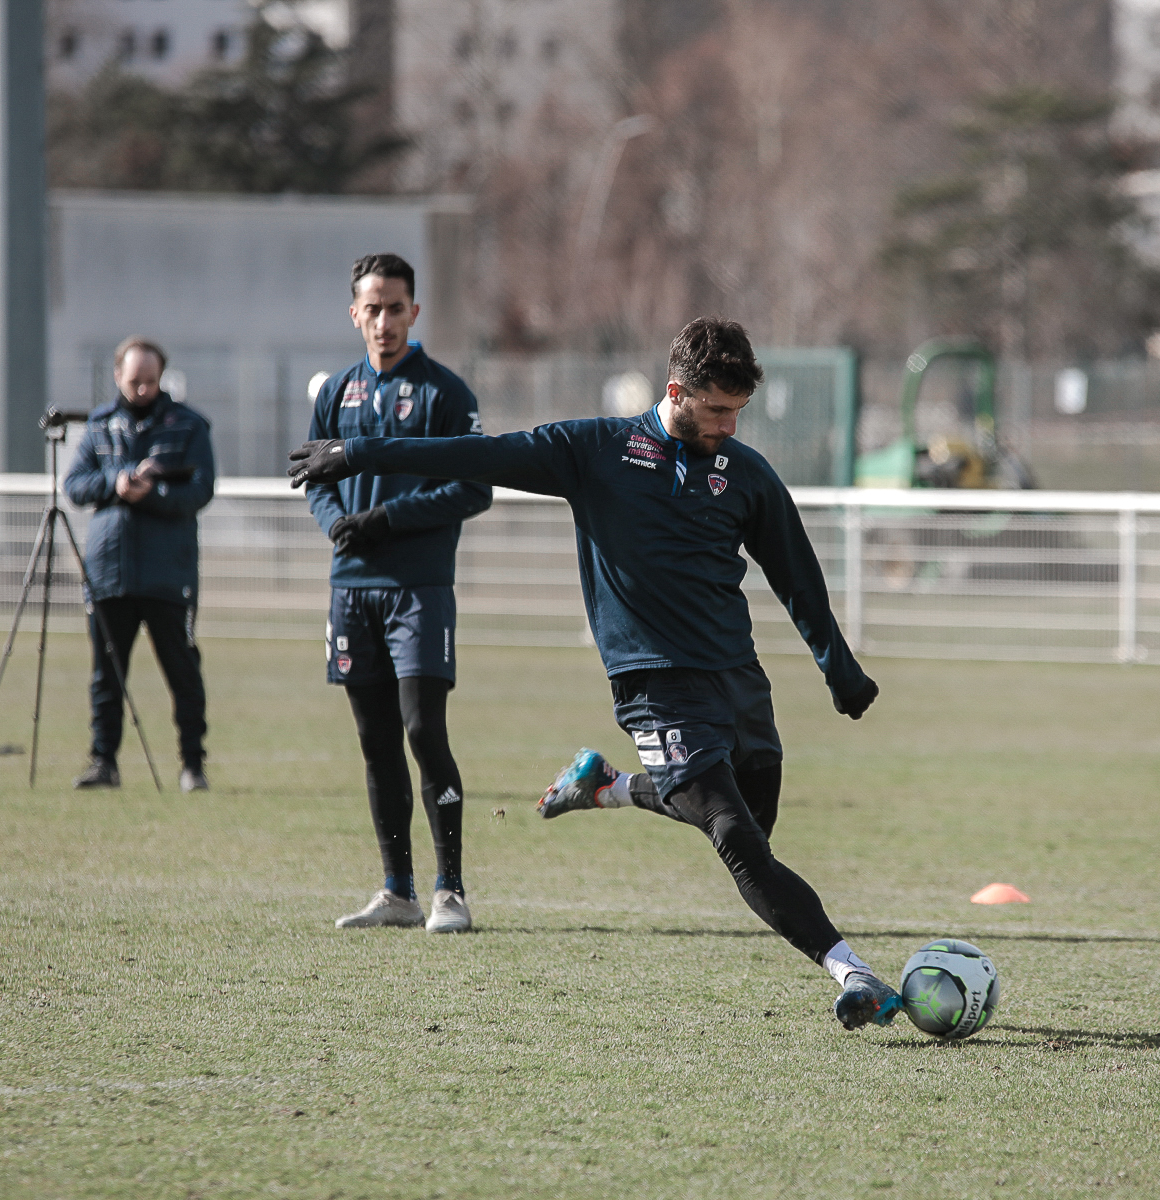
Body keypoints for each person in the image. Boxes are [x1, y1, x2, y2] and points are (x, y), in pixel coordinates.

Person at [289, 317, 900, 1030]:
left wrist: (840, 669)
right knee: (736, 837)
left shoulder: (746, 475)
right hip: (654, 686)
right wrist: (357, 452)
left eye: (738, 411)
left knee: (751, 822)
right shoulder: (595, 451)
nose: (730, 426)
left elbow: (797, 576)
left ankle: (608, 786)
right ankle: (853, 972)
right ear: (678, 391)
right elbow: (479, 455)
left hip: (738, 682)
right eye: (717, 411)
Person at [304, 253, 492, 935]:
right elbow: (315, 478)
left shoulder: (445, 393)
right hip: (352, 591)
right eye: (371, 308)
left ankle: (451, 891)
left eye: (394, 308)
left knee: (421, 728)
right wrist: (338, 528)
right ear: (354, 313)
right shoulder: (337, 394)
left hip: (418, 589)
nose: (383, 320)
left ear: (415, 312)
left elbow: (474, 488)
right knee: (376, 739)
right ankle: (397, 892)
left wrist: (384, 520)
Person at [64, 337, 216, 794]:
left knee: (183, 671)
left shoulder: (189, 426)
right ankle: (103, 761)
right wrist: (116, 481)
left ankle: (193, 764)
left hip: (169, 573)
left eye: (151, 381)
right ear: (118, 377)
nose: (143, 389)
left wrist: (155, 493)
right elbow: (75, 485)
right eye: (134, 381)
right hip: (110, 573)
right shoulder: (99, 426)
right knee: (105, 675)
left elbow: (201, 490)